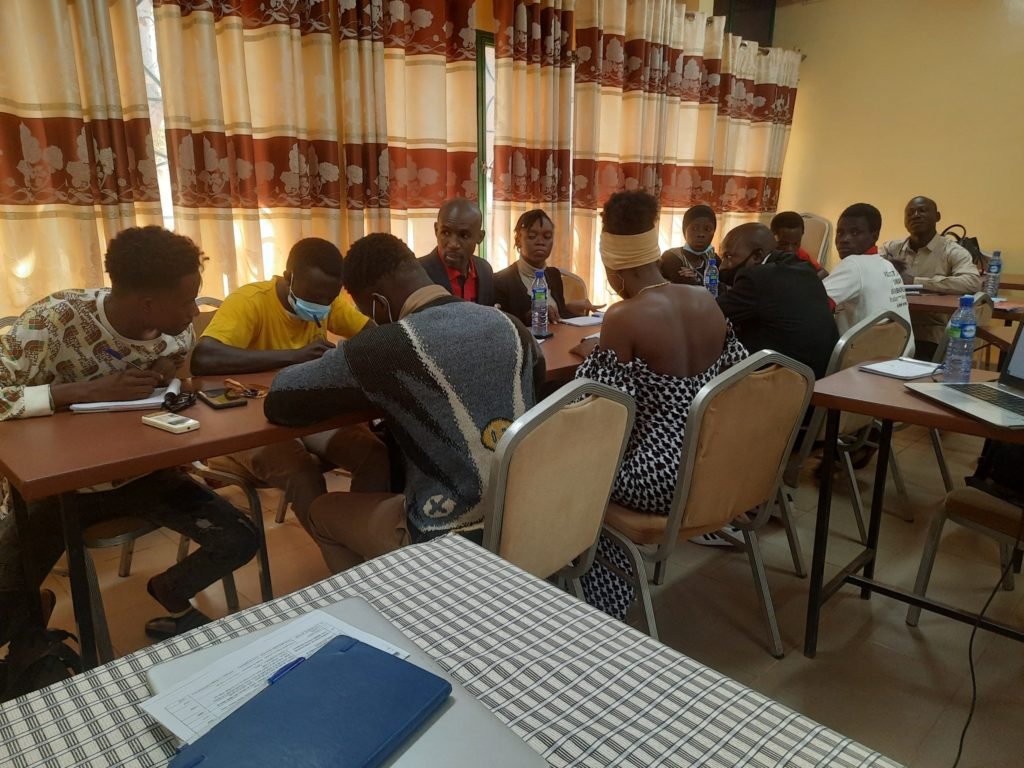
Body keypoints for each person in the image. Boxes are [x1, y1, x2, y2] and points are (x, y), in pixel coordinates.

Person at [0, 226, 258, 641]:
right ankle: (32, 611)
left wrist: (165, 375)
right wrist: (83, 391)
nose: (194, 312)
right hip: (58, 488)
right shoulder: (55, 320)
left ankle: (171, 589)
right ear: (147, 303)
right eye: (187, 301)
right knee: (5, 606)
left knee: (240, 540)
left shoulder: (176, 333)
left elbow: (174, 370)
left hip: (146, 476)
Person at [265, 233, 545, 572]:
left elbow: (279, 399)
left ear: (377, 303)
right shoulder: (511, 325)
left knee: (322, 512)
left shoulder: (387, 346)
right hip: (524, 517)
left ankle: (384, 596)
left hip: (447, 536)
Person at [570, 190, 747, 605]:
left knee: (569, 470)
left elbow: (598, 410)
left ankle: (599, 599)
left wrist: (595, 355)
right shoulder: (706, 300)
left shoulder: (623, 316)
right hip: (713, 463)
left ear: (614, 270)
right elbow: (738, 371)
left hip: (659, 478)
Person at [190, 237, 390, 534]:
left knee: (374, 456)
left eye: (330, 298)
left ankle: (360, 535)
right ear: (288, 278)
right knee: (303, 472)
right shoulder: (250, 301)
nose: (322, 306)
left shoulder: (327, 299)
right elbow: (203, 358)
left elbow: (374, 336)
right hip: (252, 424)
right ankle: (338, 546)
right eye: (314, 297)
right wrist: (294, 357)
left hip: (305, 415)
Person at [717, 223, 838, 381]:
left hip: (782, 381)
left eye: (728, 257)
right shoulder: (803, 267)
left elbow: (712, 314)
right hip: (821, 375)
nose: (723, 266)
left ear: (757, 256)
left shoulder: (756, 278)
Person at [880, 196, 981, 360]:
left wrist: (916, 282)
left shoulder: (952, 250)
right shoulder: (891, 249)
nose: (916, 215)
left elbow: (972, 282)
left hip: (930, 330)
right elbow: (873, 267)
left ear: (937, 216)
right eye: (910, 213)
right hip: (893, 326)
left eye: (922, 211)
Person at [823, 203, 914, 354]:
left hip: (861, 361)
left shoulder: (853, 264)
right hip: (898, 356)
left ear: (875, 235)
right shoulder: (888, 265)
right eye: (840, 232)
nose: (844, 239)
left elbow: (814, 307)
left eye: (855, 233)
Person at [493, 209, 603, 324]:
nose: (540, 242)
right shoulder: (501, 281)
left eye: (547, 237)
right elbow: (502, 325)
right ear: (518, 240)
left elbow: (558, 319)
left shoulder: (554, 275)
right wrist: (530, 317)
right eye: (532, 236)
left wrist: (568, 308)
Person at [418, 198, 495, 305]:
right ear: (436, 230)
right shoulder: (418, 274)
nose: (453, 244)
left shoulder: (485, 270)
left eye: (464, 235)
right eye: (446, 233)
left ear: (480, 237)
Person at [659, 204, 718, 285]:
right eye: (694, 228)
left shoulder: (714, 258)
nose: (701, 234)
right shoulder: (671, 256)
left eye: (707, 229)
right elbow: (681, 283)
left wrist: (695, 281)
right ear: (684, 230)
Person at [770, 211, 829, 279]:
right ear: (772, 236)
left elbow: (823, 272)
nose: (790, 249)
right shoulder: (766, 254)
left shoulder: (800, 254)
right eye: (784, 244)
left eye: (795, 244)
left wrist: (807, 281)